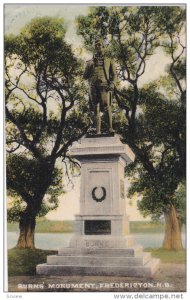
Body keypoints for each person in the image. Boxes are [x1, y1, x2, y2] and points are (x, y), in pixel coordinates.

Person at [83, 39, 116, 134]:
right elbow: (85, 76)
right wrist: (88, 66)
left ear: (103, 47)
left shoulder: (109, 61)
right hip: (93, 86)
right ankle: (97, 131)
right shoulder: (90, 62)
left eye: (99, 45)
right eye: (96, 45)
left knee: (107, 107)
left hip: (104, 85)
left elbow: (114, 75)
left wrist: (112, 84)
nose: (98, 46)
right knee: (95, 108)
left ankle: (110, 129)